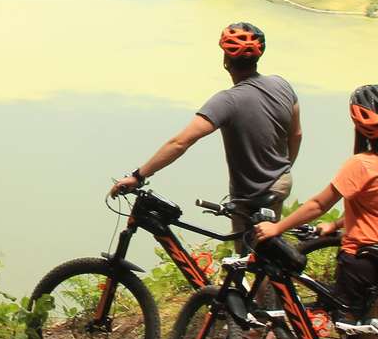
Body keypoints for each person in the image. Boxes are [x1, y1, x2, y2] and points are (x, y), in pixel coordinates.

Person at [252, 84, 378, 339]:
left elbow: (318, 204)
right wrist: (338, 224)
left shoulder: (361, 164)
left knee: (353, 325)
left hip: (362, 258)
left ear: (357, 125)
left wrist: (277, 228)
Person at [107, 22, 302, 238]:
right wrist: (282, 170)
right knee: (265, 254)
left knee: (247, 258)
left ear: (226, 61)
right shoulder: (282, 85)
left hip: (253, 192)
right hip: (281, 182)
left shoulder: (227, 101)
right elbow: (296, 135)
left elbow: (180, 142)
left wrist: (138, 175)